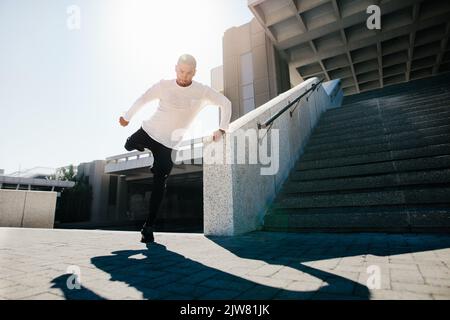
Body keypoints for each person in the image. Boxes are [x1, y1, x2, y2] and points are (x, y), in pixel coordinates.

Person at [119, 54, 232, 243]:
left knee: (159, 184)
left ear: (194, 72)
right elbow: (144, 98)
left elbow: (225, 103)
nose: (184, 76)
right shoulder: (164, 85)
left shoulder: (202, 91)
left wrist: (222, 128)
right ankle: (136, 144)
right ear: (175, 68)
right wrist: (127, 116)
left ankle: (148, 227)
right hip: (149, 132)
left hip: (169, 145)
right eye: (181, 71)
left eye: (189, 73)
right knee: (129, 144)